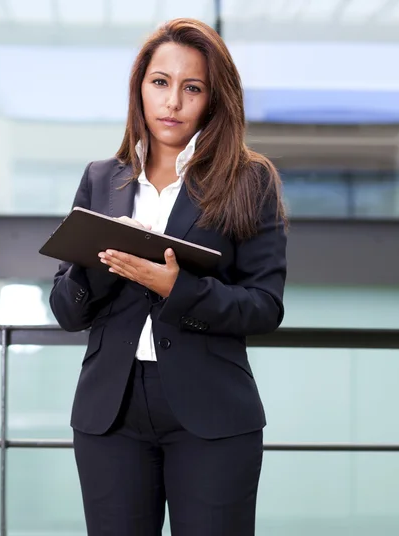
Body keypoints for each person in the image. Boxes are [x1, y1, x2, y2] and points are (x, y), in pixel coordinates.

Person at [49, 17, 287, 536]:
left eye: (192, 87)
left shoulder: (249, 180)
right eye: (160, 82)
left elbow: (264, 306)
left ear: (214, 98)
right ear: (140, 89)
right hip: (110, 413)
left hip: (211, 415)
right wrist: (106, 264)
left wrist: (174, 288)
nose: (172, 101)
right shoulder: (101, 179)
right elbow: (67, 310)